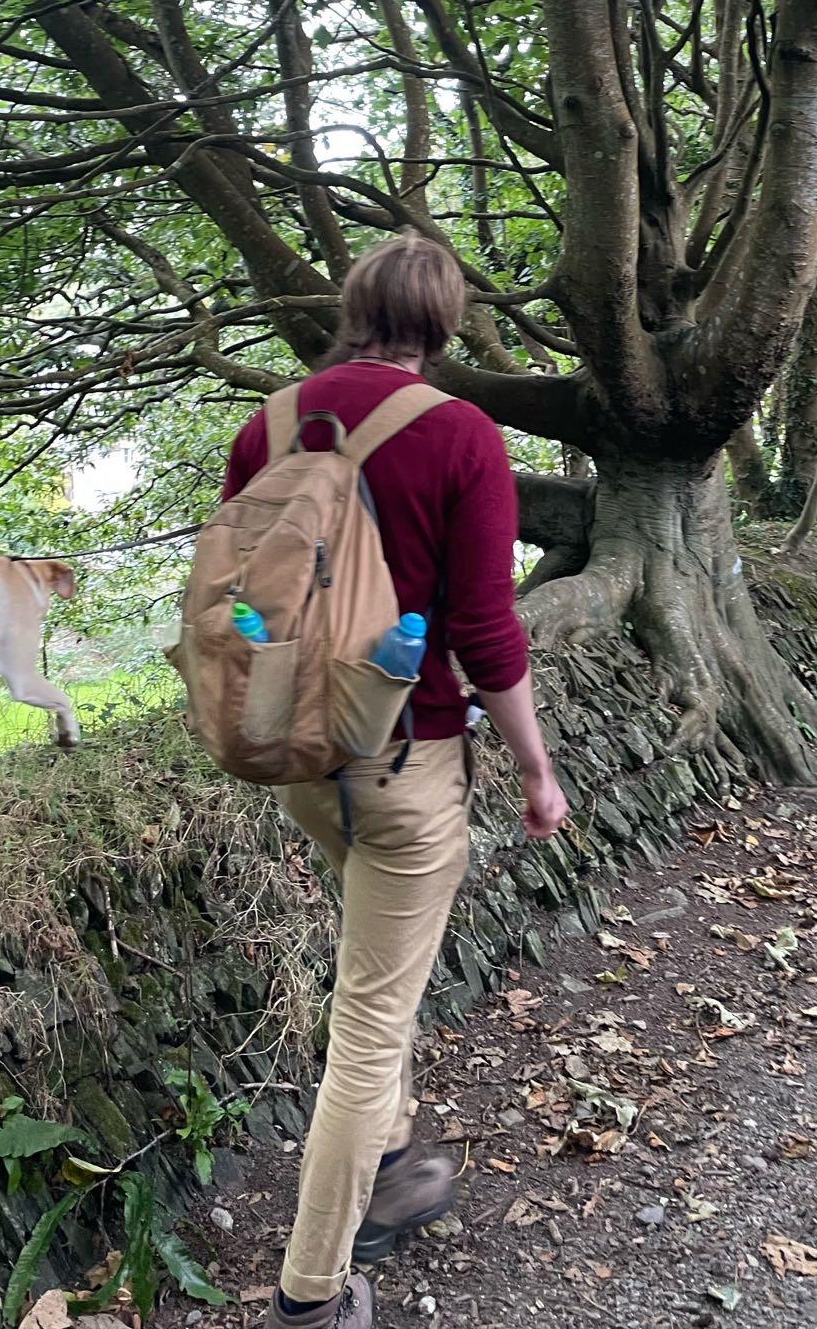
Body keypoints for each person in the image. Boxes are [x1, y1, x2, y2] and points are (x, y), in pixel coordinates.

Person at [221, 232, 569, 1328]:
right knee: (368, 1022)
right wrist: (536, 766)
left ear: (354, 307)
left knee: (377, 975)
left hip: (299, 758)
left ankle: (399, 1158)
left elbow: (238, 591)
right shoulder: (460, 433)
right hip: (406, 762)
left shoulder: (267, 424)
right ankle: (312, 1292)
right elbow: (484, 626)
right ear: (446, 319)